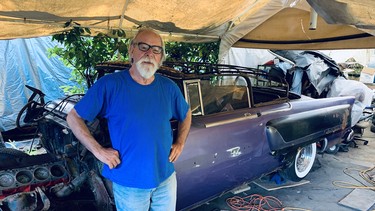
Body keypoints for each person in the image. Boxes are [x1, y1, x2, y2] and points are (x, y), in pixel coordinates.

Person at [66, 28, 192, 211]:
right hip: (129, 182)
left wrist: (180, 142)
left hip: (165, 176)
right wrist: (99, 151)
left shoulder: (169, 87)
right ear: (131, 50)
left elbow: (186, 113)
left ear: (161, 57)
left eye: (156, 49)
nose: (149, 53)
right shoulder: (110, 85)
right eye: (143, 46)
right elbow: (73, 117)